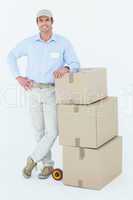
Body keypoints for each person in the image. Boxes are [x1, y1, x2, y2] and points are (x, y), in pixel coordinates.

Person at [7, 9, 80, 179]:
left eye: (47, 20)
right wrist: (18, 77)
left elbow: (75, 62)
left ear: (52, 22)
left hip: (51, 92)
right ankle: (47, 166)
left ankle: (32, 159)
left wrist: (66, 68)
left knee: (52, 131)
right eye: (41, 20)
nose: (44, 23)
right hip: (32, 91)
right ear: (37, 23)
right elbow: (11, 56)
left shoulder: (62, 43)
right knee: (38, 131)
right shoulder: (29, 43)